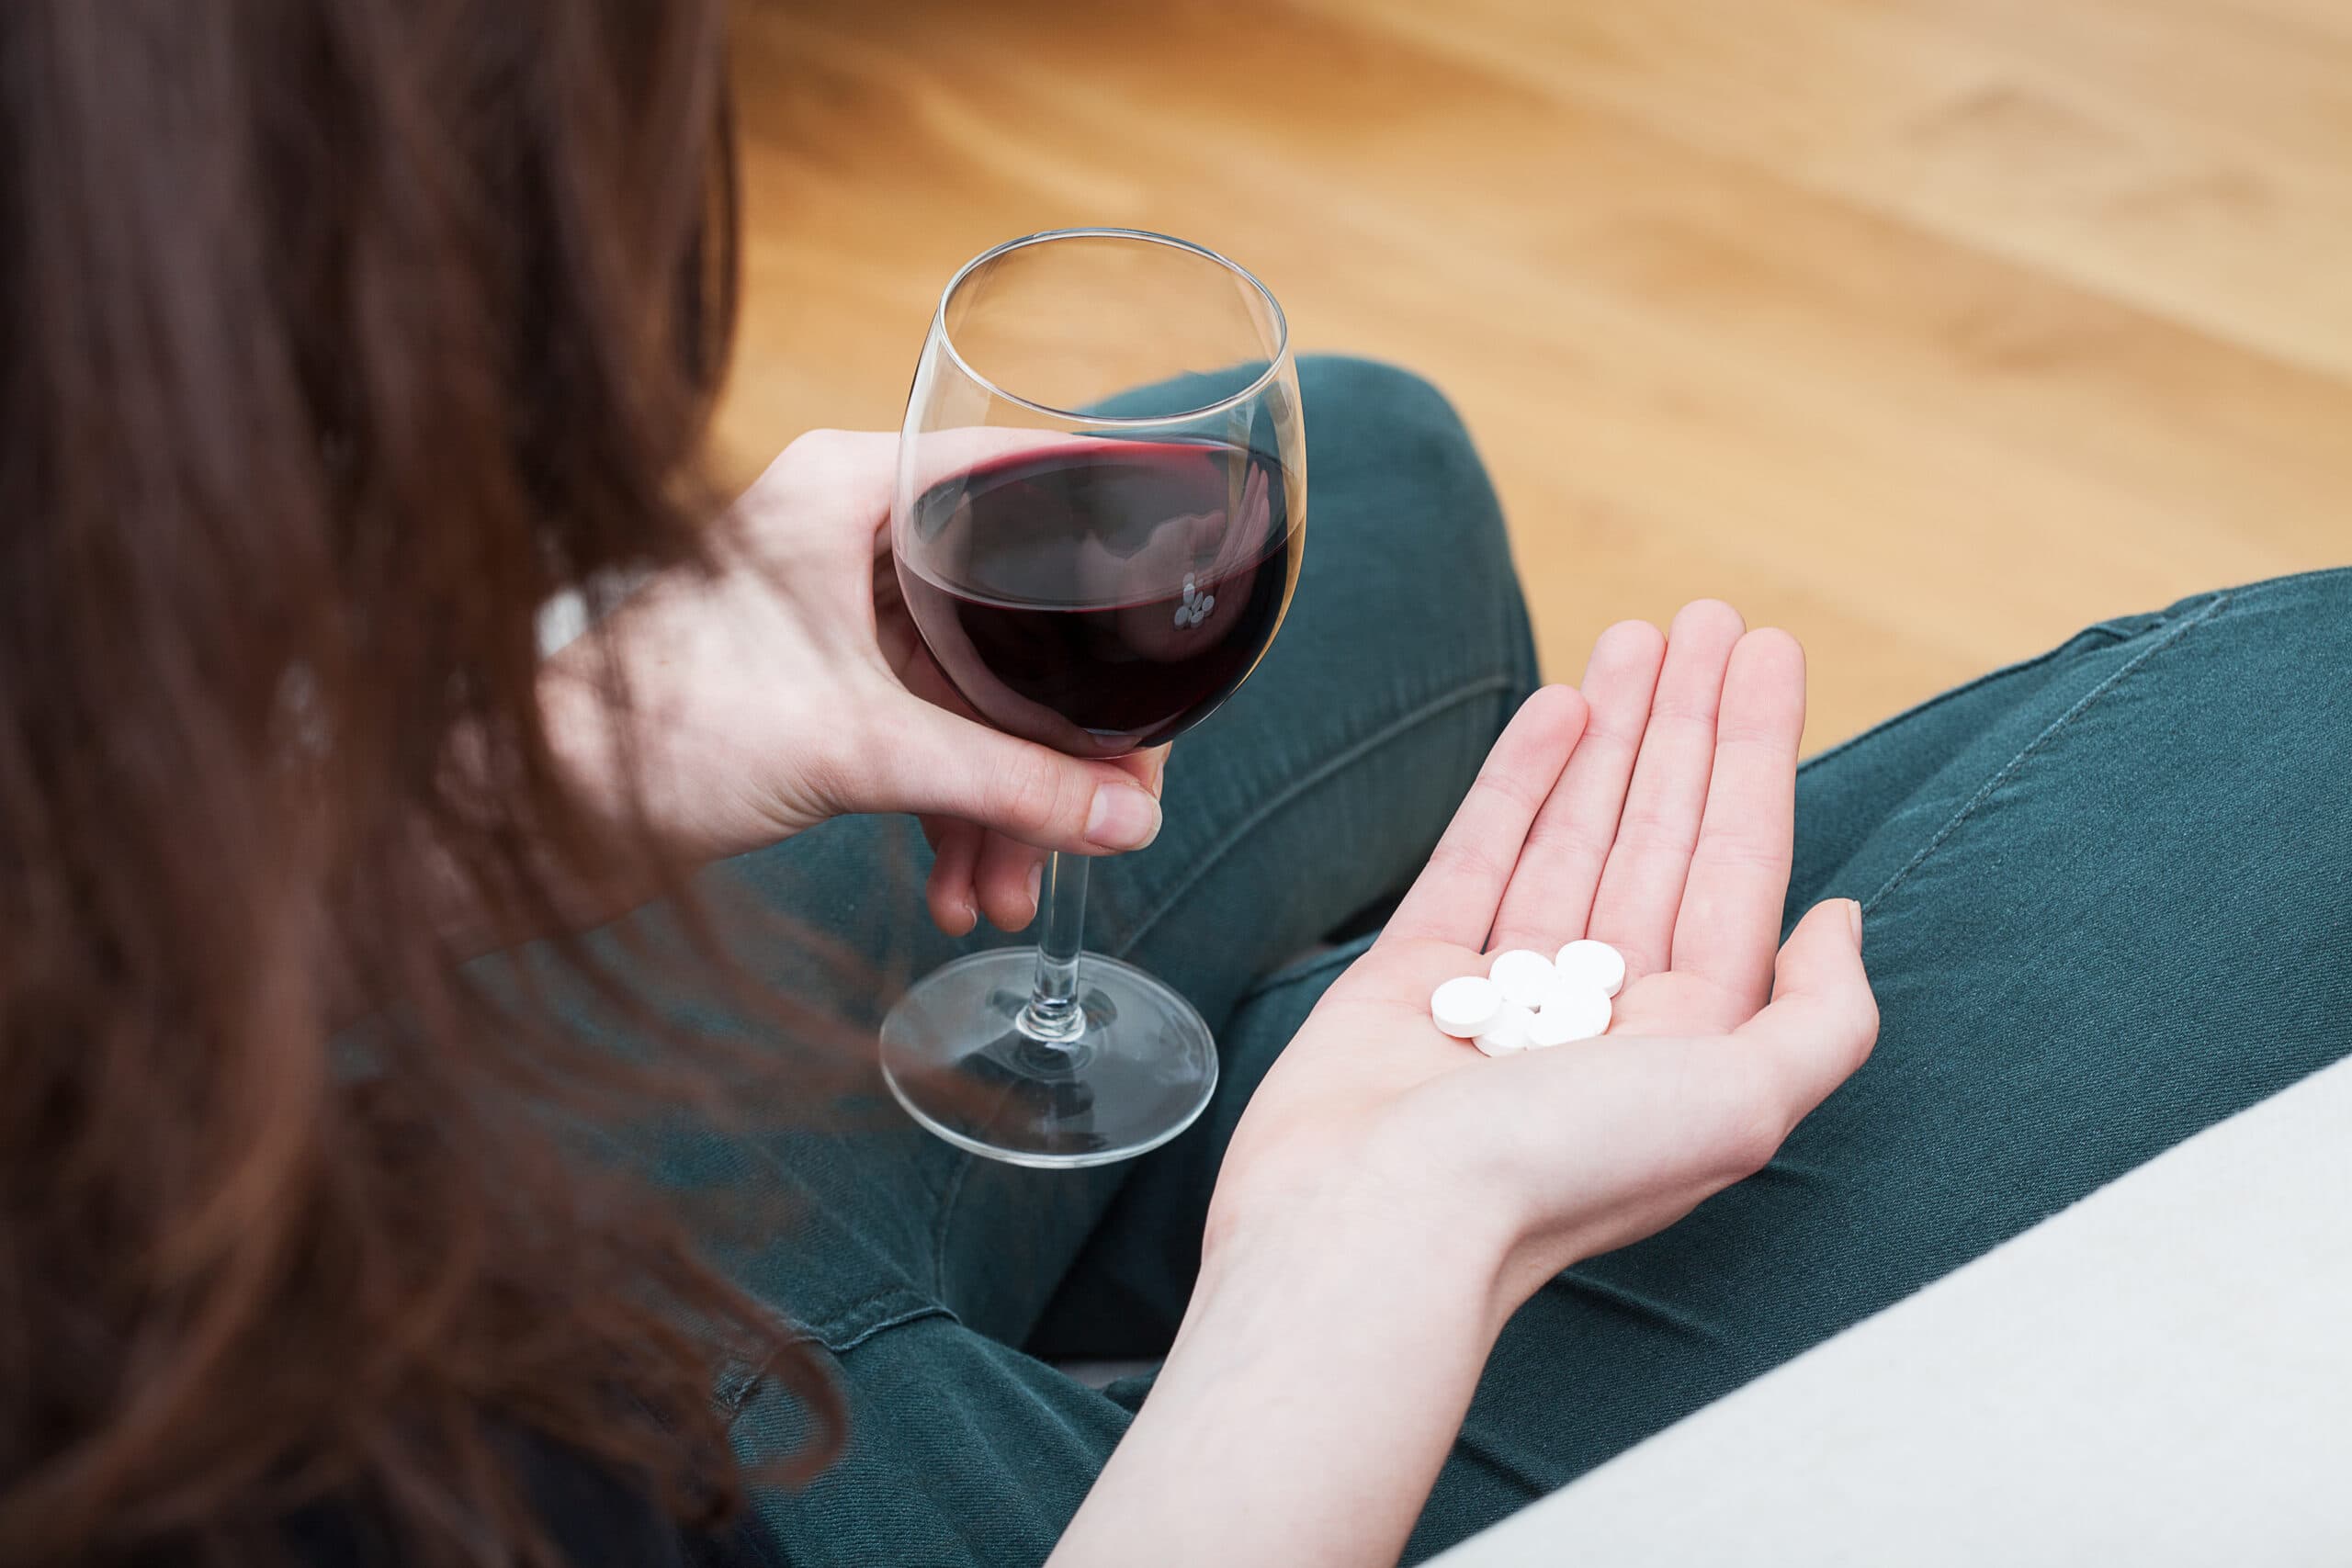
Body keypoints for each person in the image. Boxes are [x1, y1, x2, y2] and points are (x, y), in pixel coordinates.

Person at [6, 6, 2346, 1567]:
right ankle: (1179, 1283)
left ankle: (1145, 1225)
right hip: (576, 1456)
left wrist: (524, 756)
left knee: (1381, 474)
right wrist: (1360, 1274)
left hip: (386, 1161)